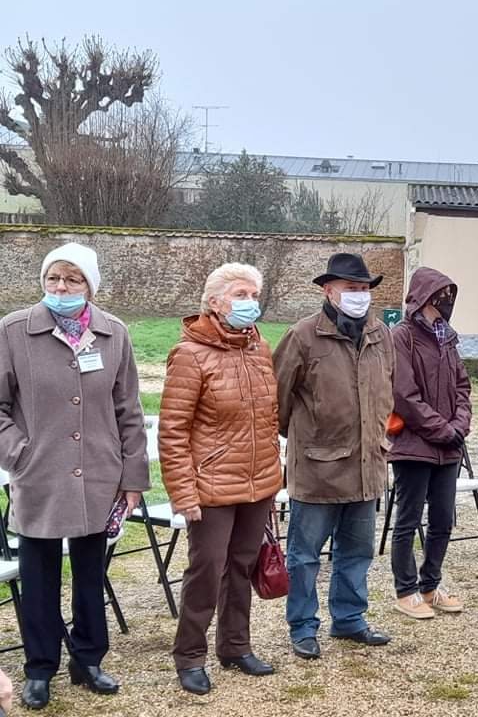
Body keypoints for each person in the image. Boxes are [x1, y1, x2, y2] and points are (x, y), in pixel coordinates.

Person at [0, 243, 148, 710]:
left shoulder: (113, 334)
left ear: (90, 285)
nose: (61, 288)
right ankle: (39, 667)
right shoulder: (13, 331)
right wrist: (20, 455)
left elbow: (129, 411)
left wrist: (133, 478)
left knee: (90, 572)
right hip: (39, 475)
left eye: (72, 279)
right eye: (53, 279)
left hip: (100, 475)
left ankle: (88, 659)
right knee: (39, 573)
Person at [159, 263, 283, 695]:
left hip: (259, 482)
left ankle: (235, 645)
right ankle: (190, 655)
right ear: (214, 302)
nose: (251, 303)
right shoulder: (190, 354)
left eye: (254, 295)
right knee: (206, 570)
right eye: (241, 295)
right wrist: (183, 492)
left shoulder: (258, 348)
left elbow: (268, 417)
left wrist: (273, 471)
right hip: (211, 485)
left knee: (242, 566)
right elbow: (173, 430)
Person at [273, 253, 395, 658]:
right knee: (305, 556)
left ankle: (349, 619)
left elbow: (386, 391)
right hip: (318, 469)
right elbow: (278, 400)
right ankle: (303, 626)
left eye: (364, 289)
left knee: (357, 551)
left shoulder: (380, 334)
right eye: (351, 288)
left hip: (368, 466)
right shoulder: (303, 336)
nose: (360, 296)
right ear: (329, 290)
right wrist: (311, 440)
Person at [389, 268, 472, 619]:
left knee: (442, 520)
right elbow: (404, 395)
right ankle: (405, 590)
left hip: (448, 447)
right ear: (422, 296)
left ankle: (431, 585)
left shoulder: (448, 339)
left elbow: (463, 388)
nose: (446, 302)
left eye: (449, 295)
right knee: (407, 520)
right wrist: (441, 429)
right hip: (414, 445)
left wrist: (459, 426)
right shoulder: (402, 337)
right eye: (439, 295)